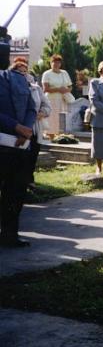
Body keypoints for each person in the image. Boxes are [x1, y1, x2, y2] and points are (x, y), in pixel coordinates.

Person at [0, 63, 36, 247]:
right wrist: (15, 127)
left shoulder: (18, 78)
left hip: (18, 146)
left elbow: (31, 107)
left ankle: (9, 235)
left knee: (15, 192)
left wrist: (25, 130)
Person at [9, 58, 50, 189]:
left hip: (34, 128)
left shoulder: (36, 88)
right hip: (17, 128)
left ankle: (29, 180)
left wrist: (41, 113)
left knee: (32, 155)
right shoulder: (9, 88)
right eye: (20, 72)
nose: (24, 75)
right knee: (18, 156)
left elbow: (47, 106)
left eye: (25, 72)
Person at [42, 54, 73, 137]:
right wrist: (59, 89)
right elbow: (45, 89)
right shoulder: (47, 74)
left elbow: (70, 86)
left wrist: (66, 90)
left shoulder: (64, 73)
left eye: (58, 62)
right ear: (50, 63)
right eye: (54, 62)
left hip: (63, 99)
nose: (56, 64)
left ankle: (61, 136)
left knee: (61, 120)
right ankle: (50, 136)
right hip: (51, 100)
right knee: (52, 120)